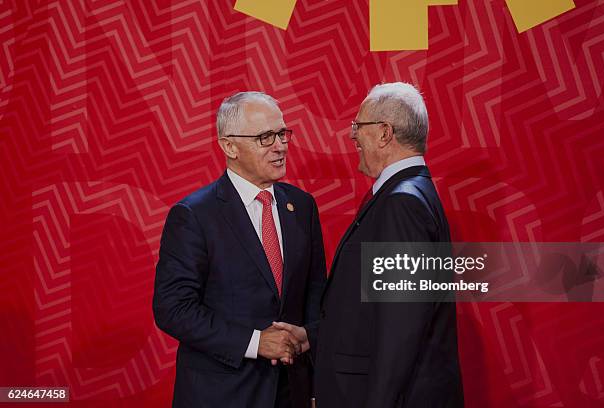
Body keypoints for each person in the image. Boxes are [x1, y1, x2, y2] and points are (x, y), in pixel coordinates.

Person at [279, 82, 463, 407]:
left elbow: (400, 326)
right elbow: (367, 311)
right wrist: (315, 336)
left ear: (384, 133)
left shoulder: (402, 203)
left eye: (357, 126)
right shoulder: (410, 194)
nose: (352, 136)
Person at [153, 91, 326, 408]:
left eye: (282, 133)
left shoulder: (301, 206)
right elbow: (173, 309)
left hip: (292, 393)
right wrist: (257, 342)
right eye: (265, 137)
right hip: (223, 394)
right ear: (229, 146)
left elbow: (316, 295)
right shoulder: (194, 215)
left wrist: (308, 343)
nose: (280, 145)